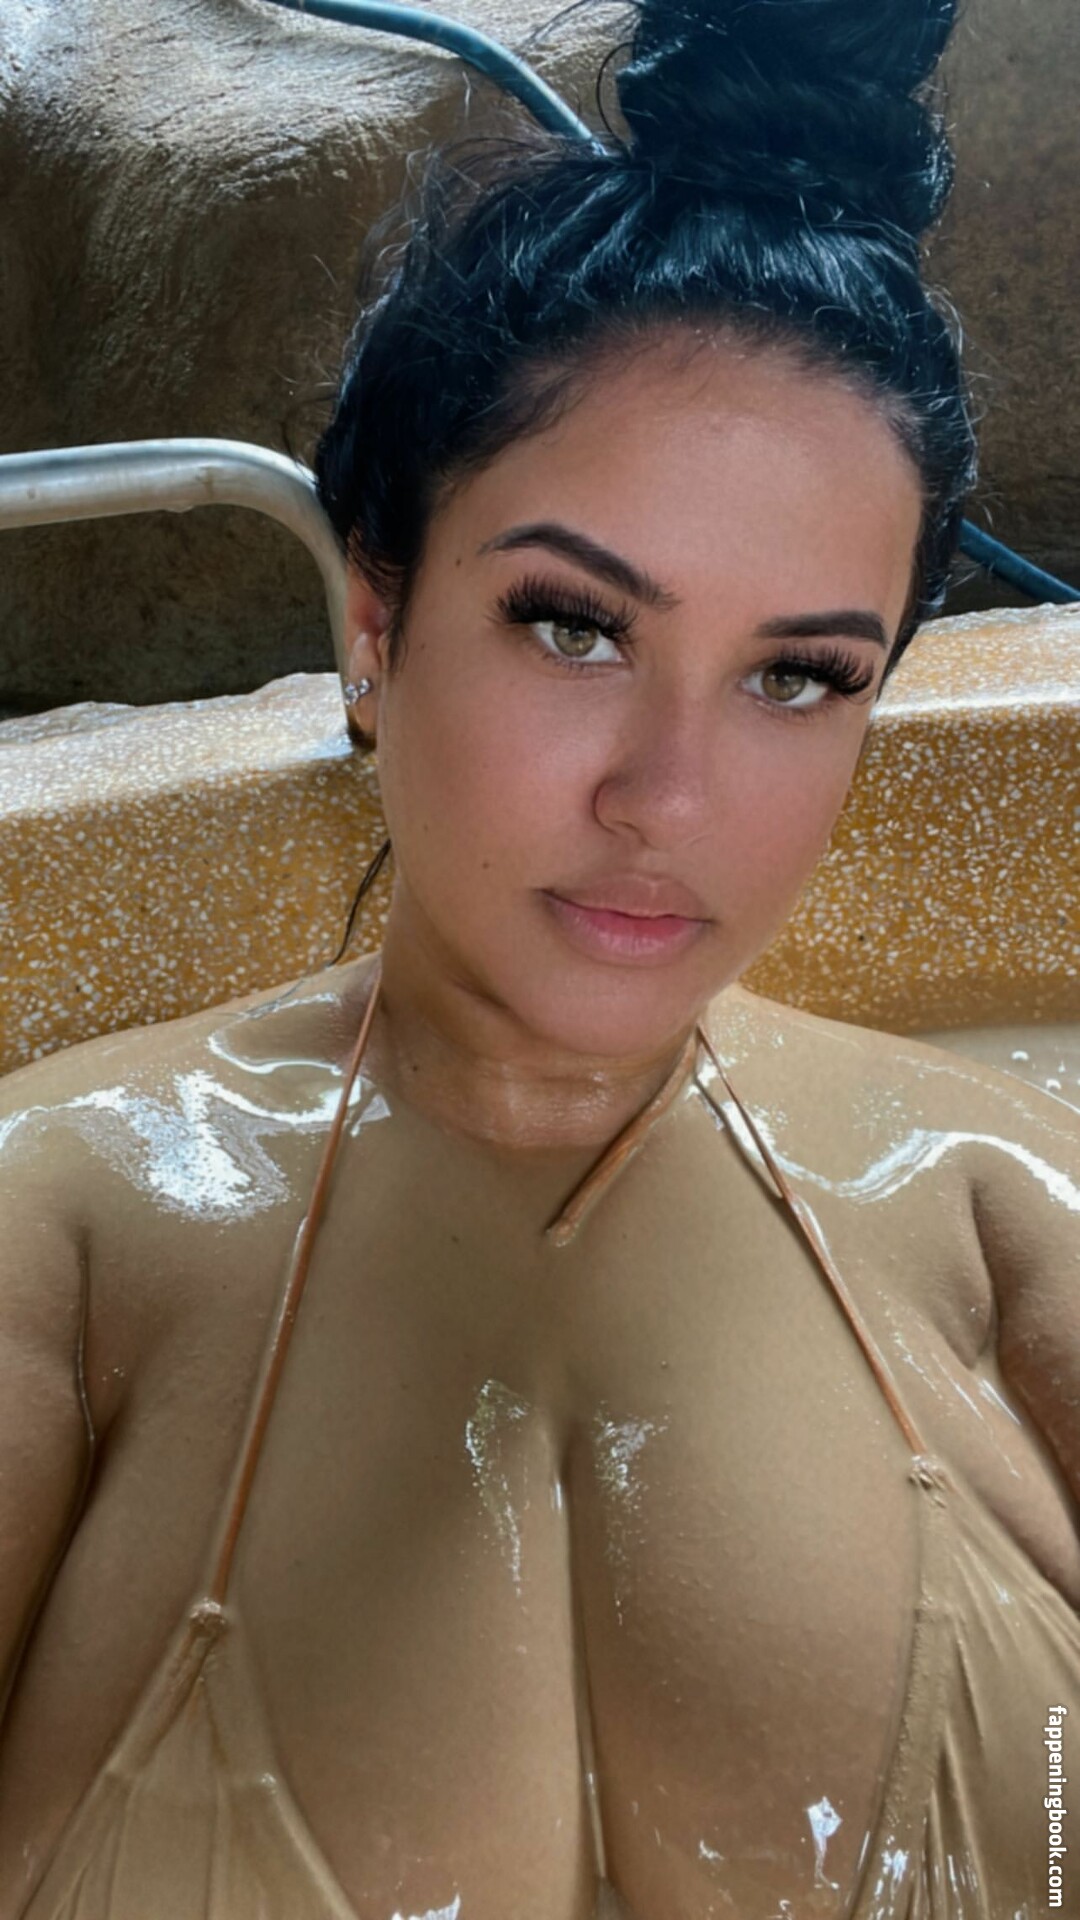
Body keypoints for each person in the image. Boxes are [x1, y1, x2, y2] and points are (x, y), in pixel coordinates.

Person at [1, 1, 1078, 1914]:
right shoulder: (57, 1233)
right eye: (576, 626)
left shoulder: (1012, 1208)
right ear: (374, 616)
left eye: (798, 675)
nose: (670, 795)